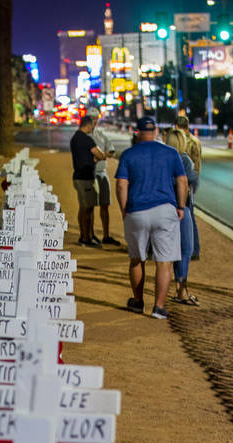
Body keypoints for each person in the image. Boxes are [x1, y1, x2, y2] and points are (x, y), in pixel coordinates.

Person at [114, 114, 188, 319]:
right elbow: (182, 182)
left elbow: (121, 185)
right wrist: (180, 206)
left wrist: (124, 209)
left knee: (137, 259)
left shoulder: (128, 155)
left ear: (137, 132)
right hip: (165, 210)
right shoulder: (171, 153)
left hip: (137, 211)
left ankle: (138, 302)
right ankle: (159, 307)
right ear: (155, 132)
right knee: (164, 262)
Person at [163, 127, 199, 306]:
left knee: (169, 252)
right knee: (186, 249)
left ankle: (173, 289)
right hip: (183, 208)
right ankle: (181, 289)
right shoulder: (184, 160)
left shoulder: (163, 159)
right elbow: (191, 182)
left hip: (165, 207)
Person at [70, 114, 106, 247]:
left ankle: (85, 235)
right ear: (88, 125)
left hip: (78, 176)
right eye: (93, 124)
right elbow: (99, 154)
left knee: (83, 208)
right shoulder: (86, 140)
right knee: (87, 208)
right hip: (86, 178)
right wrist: (100, 157)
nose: (94, 127)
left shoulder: (75, 138)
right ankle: (85, 238)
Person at [87, 108, 121, 245]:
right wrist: (101, 155)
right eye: (92, 118)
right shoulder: (84, 136)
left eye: (96, 118)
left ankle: (106, 235)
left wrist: (100, 155)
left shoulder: (100, 134)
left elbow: (111, 150)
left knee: (105, 204)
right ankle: (90, 234)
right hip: (90, 174)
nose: (94, 121)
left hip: (102, 173)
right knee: (90, 206)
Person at [175, 113, 202, 260]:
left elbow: (193, 164)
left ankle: (193, 250)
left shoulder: (184, 141)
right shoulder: (195, 141)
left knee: (189, 215)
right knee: (190, 216)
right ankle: (193, 249)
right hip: (191, 181)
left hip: (186, 181)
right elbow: (198, 164)